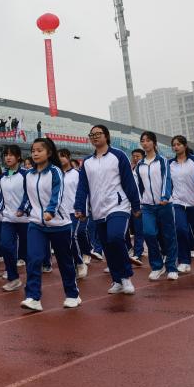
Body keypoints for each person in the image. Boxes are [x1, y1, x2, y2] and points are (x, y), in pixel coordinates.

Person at [74, 125, 141, 296]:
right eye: (92, 135)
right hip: (98, 209)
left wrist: (135, 205)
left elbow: (128, 182)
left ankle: (126, 276)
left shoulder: (118, 155)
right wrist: (80, 207)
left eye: (98, 134)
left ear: (107, 136)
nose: (95, 137)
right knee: (107, 246)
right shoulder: (87, 162)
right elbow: (82, 187)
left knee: (115, 237)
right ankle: (117, 280)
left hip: (118, 205)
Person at [21, 138, 80, 312]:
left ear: (49, 153)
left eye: (39, 150)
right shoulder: (29, 174)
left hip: (59, 223)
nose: (35, 153)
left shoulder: (55, 171)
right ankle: (33, 297)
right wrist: (22, 208)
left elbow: (58, 193)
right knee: (34, 259)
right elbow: (27, 196)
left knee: (64, 261)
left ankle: (72, 295)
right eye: (33, 150)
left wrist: (51, 210)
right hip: (36, 223)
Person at [135, 131, 178, 281]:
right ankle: (157, 266)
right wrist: (139, 202)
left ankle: (172, 267)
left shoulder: (162, 161)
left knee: (168, 236)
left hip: (164, 204)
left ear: (154, 143)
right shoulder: (139, 165)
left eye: (148, 140)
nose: (145, 143)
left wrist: (165, 196)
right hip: (147, 206)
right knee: (149, 233)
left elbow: (167, 179)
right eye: (143, 141)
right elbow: (139, 186)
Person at [168, 136, 194, 272]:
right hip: (178, 202)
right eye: (174, 145)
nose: (176, 147)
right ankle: (184, 261)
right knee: (180, 230)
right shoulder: (170, 164)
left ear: (185, 146)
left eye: (179, 144)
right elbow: (168, 182)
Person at [0, 145, 30, 293]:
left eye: (11, 155)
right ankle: (14, 278)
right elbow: (1, 197)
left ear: (18, 157)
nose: (8, 157)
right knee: (5, 246)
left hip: (26, 219)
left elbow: (29, 194)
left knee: (28, 253)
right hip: (8, 218)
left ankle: (33, 280)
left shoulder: (26, 174)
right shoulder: (3, 177)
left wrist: (22, 208)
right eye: (6, 155)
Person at [58, 149, 89, 279]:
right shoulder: (56, 173)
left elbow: (83, 192)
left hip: (74, 211)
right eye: (58, 157)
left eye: (63, 156)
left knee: (72, 236)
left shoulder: (77, 174)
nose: (61, 159)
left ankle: (80, 263)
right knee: (63, 241)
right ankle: (74, 263)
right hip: (60, 213)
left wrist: (83, 210)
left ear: (69, 157)